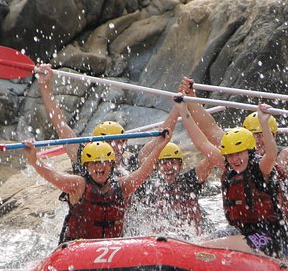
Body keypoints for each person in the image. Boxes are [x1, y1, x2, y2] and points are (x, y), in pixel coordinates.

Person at [175, 96, 288, 258]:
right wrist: (183, 110)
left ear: (249, 152)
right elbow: (202, 144)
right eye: (231, 156)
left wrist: (264, 123)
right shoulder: (229, 167)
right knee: (200, 240)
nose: (235, 159)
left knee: (203, 247)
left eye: (239, 154)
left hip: (270, 236)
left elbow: (271, 153)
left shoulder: (261, 168)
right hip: (244, 231)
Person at [21, 127, 173, 244]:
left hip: (111, 250)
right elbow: (54, 176)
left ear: (112, 165)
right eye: (94, 163)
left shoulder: (121, 186)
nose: (99, 167)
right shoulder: (79, 185)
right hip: (76, 250)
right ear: (87, 166)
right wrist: (35, 161)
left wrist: (160, 146)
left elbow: (143, 171)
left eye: (104, 162)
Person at [36, 64, 179, 176]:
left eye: (120, 142)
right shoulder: (83, 159)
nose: (116, 147)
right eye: (110, 142)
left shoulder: (132, 163)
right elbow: (60, 125)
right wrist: (45, 85)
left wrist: (179, 104)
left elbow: (162, 136)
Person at [127, 141, 214, 238]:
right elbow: (141, 158)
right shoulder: (148, 189)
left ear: (180, 165)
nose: (169, 167)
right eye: (164, 163)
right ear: (156, 166)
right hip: (162, 239)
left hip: (194, 238)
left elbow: (211, 159)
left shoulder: (189, 181)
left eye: (173, 162)